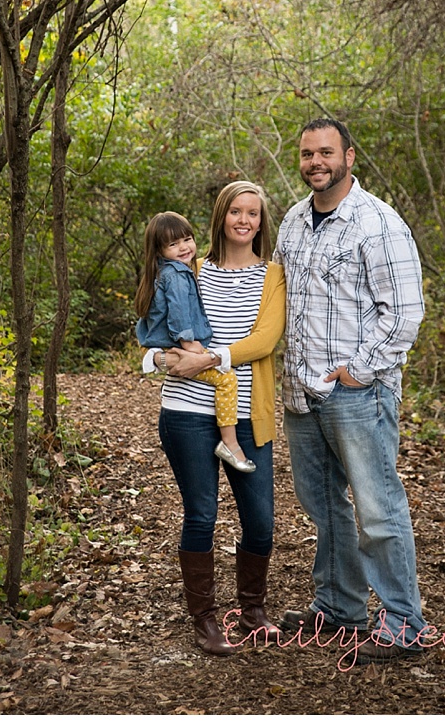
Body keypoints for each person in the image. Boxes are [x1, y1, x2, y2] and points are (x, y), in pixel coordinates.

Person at [273, 117, 427, 665]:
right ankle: (340, 608)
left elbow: (405, 314)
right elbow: (276, 302)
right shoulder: (292, 221)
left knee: (378, 508)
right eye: (307, 153)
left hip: (358, 394)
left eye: (326, 153)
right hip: (301, 392)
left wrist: (359, 370)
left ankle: (404, 625)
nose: (316, 162)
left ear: (349, 157)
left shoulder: (377, 223)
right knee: (324, 507)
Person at [141, 182, 286, 656]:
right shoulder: (191, 267)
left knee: (260, 521)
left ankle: (253, 610)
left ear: (261, 223)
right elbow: (152, 326)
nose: (244, 220)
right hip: (186, 412)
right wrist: (160, 362)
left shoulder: (273, 276)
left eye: (254, 213)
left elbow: (264, 342)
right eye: (236, 211)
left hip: (247, 416)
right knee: (201, 515)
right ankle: (204, 619)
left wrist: (206, 360)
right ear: (222, 216)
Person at [135, 211, 255, 472]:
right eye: (173, 244)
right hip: (180, 346)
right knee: (226, 380)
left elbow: (145, 324)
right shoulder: (176, 275)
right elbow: (179, 312)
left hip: (170, 347)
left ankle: (229, 442)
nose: (183, 247)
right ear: (159, 249)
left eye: (187, 239)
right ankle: (230, 443)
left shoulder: (162, 273)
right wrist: (189, 344)